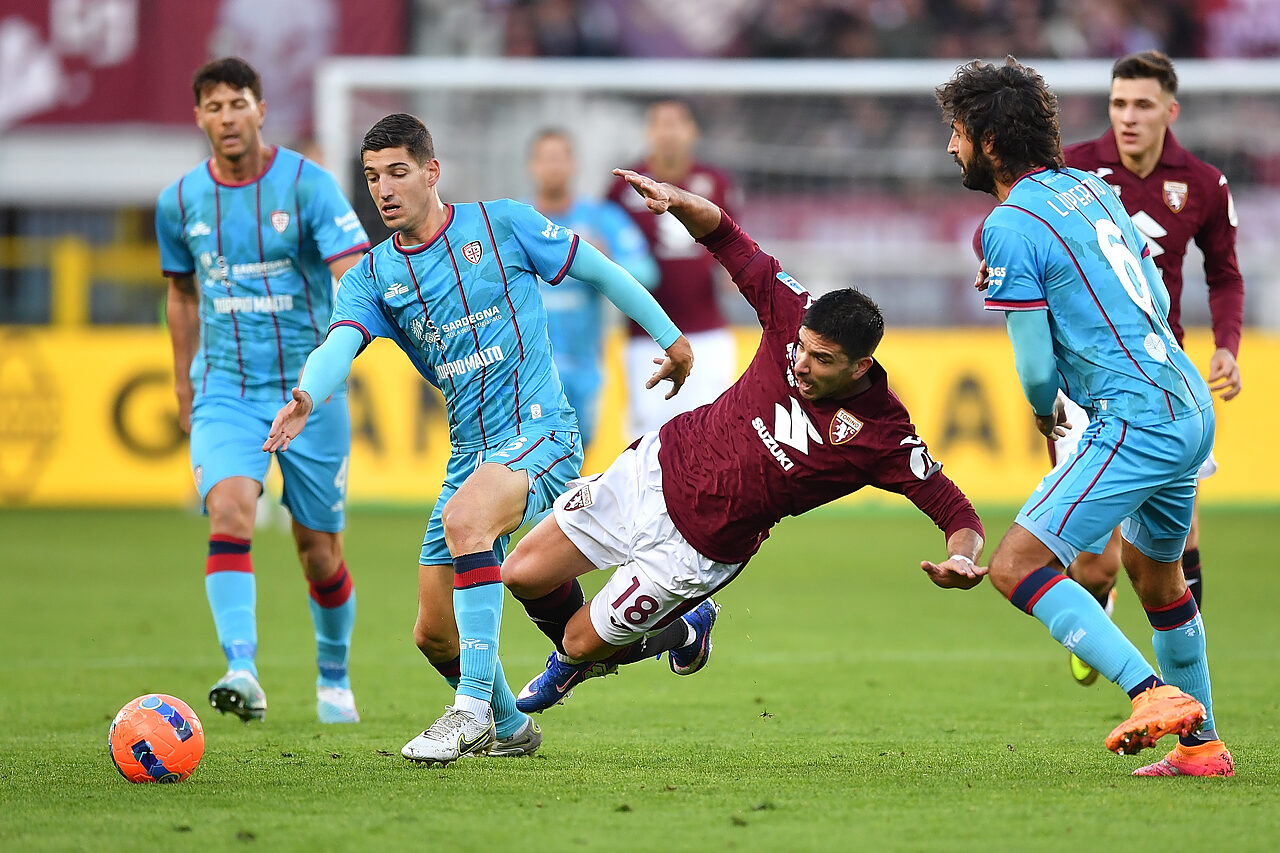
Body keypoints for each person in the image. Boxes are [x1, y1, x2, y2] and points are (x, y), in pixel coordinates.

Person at [262, 114, 694, 764]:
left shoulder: (504, 224)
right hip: (470, 453)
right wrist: (306, 392)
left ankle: (469, 711)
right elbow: (339, 344)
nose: (384, 189)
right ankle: (514, 725)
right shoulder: (373, 275)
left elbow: (601, 272)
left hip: (541, 429)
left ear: (432, 172)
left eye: (398, 172)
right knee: (433, 634)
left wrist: (671, 337)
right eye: (373, 176)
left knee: (469, 521)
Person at [503, 169, 987, 715]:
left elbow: (956, 510)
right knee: (521, 573)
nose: (801, 364)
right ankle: (672, 634)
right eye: (802, 348)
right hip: (654, 469)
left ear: (861, 367)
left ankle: (585, 657)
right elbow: (729, 240)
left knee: (577, 641)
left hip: (697, 550)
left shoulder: (883, 434)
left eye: (822, 360)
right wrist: (678, 200)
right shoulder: (790, 312)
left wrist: (961, 559)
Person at [939, 57, 1233, 776]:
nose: (950, 148)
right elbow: (1154, 299)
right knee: (1157, 578)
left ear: (988, 138)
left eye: (956, 131)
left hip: (1133, 417)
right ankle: (1203, 747)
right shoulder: (1091, 187)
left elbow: (1037, 371)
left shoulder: (1009, 223)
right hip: (1187, 401)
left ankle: (1150, 693)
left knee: (1015, 566)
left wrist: (1046, 415)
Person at [156, 57, 369, 725]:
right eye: (213, 106)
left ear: (261, 108)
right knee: (230, 514)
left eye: (237, 103)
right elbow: (182, 294)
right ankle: (241, 668)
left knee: (319, 549)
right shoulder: (180, 200)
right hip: (226, 390)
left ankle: (333, 676)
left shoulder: (308, 186)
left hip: (309, 396)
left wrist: (332, 364)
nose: (226, 117)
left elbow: (354, 272)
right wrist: (182, 382)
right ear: (199, 116)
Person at [1054, 50, 1245, 686]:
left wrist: (1226, 345)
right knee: (1096, 565)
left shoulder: (1203, 183)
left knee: (1180, 535)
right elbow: (1006, 230)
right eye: (1117, 104)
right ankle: (1097, 606)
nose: (1128, 118)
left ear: (1170, 109)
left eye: (1141, 105)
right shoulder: (1075, 169)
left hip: (1166, 382)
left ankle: (1192, 665)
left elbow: (1224, 274)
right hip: (1091, 382)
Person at [606, 100, 740, 438]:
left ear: (692, 131)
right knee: (649, 440)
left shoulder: (716, 182)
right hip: (646, 336)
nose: (668, 132)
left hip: (707, 331)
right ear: (649, 132)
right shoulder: (624, 186)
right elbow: (605, 245)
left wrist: (730, 272)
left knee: (711, 435)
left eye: (677, 123)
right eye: (660, 124)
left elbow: (736, 240)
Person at [527, 128, 659, 450]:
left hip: (584, 363)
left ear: (574, 165)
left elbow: (647, 273)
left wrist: (606, 261)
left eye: (560, 159)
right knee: (533, 453)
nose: (553, 167)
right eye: (545, 159)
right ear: (532, 166)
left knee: (576, 452)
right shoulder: (518, 220)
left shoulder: (601, 219)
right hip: (529, 363)